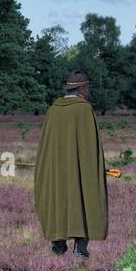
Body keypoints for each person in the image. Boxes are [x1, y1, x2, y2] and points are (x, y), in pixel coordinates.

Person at [33, 70, 108, 258]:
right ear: (81, 88)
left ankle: (58, 245)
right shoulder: (84, 109)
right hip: (80, 167)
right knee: (85, 196)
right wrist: (94, 168)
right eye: (87, 87)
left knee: (57, 197)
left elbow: (46, 146)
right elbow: (90, 146)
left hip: (56, 168)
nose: (89, 90)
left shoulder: (53, 110)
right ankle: (80, 248)